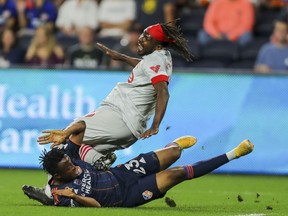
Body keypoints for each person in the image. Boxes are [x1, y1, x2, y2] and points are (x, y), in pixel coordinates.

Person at [22, 20, 195, 205]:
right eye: (142, 34)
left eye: (147, 37)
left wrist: (156, 125)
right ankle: (85, 171)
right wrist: (121, 57)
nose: (141, 38)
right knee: (79, 157)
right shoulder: (162, 56)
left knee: (62, 145)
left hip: (119, 115)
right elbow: (144, 67)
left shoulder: (156, 59)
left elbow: (163, 92)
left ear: (158, 44)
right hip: (129, 127)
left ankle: (65, 184)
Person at [25, 121, 254, 207]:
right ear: (58, 174)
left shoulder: (71, 158)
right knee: (177, 173)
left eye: (70, 161)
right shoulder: (61, 194)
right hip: (128, 196)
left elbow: (82, 126)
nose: (74, 165)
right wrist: (75, 197)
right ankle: (234, 153)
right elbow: (95, 206)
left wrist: (65, 134)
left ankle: (173, 144)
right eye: (69, 167)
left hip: (122, 173)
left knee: (173, 153)